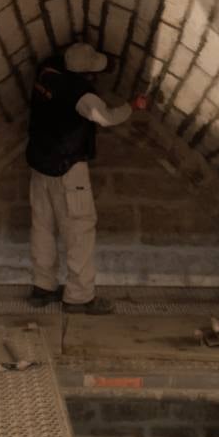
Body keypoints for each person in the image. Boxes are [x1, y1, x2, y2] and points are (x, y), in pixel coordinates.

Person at [26, 42, 145, 314]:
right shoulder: (80, 94)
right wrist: (132, 106)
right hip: (69, 170)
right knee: (79, 230)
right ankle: (79, 297)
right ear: (86, 74)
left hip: (39, 164)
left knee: (42, 225)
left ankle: (42, 287)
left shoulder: (47, 71)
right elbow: (104, 117)